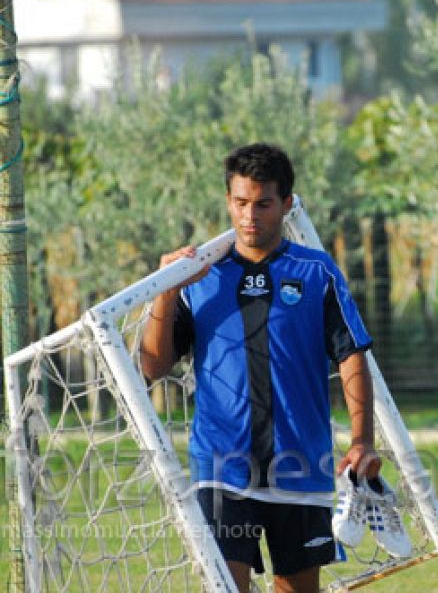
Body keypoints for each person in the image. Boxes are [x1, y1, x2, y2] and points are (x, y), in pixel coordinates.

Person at [140, 143, 380, 593]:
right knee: (226, 586)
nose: (250, 216)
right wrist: (166, 289)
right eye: (240, 203)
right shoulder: (200, 275)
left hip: (300, 465)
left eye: (263, 204)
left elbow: (351, 354)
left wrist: (362, 439)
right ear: (229, 201)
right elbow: (152, 366)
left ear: (286, 205)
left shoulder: (316, 272)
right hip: (221, 468)